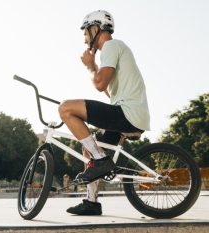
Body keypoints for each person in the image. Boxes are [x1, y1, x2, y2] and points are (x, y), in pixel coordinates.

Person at [58, 10, 150, 215]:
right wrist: (95, 67)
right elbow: (108, 90)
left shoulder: (111, 45)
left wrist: (90, 66)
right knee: (89, 148)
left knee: (65, 108)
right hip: (128, 113)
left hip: (127, 113)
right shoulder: (115, 49)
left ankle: (100, 160)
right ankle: (91, 203)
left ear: (94, 28)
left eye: (85, 34)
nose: (84, 41)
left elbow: (99, 84)